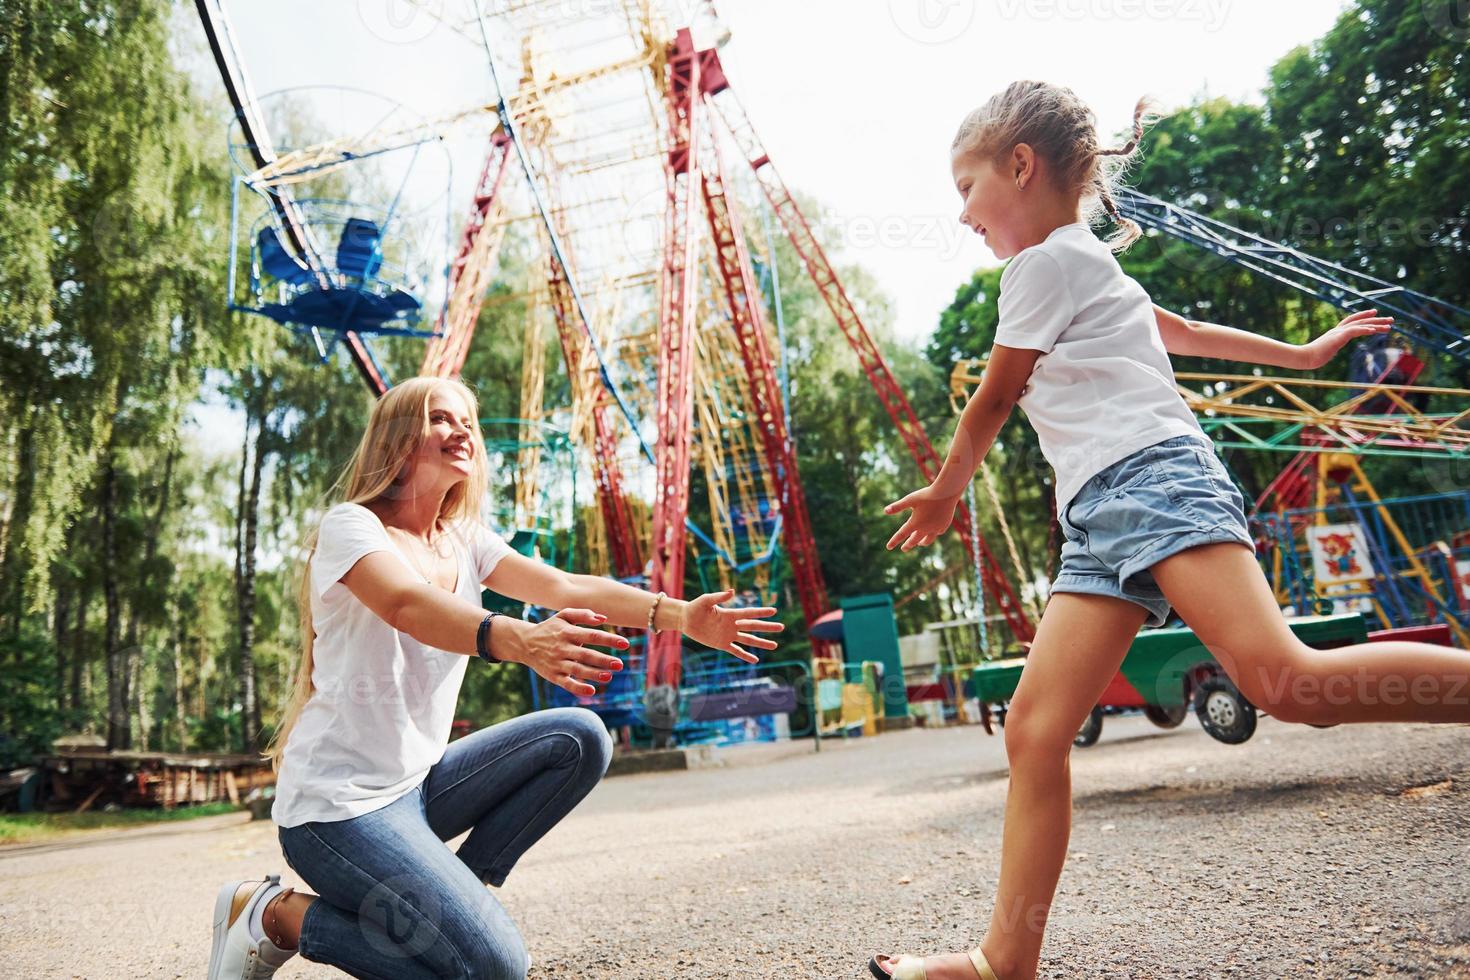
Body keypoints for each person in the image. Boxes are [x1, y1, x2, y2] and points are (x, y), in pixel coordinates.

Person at [871, 80, 1470, 980]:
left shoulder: (1042, 267)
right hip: (1101, 520)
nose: (961, 213)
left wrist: (949, 489)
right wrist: (1302, 354)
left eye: (967, 187)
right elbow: (1183, 331)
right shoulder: (1087, 263)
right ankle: (1003, 960)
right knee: (1035, 730)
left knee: (1283, 681)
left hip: (1153, 484)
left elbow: (996, 395)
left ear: (1021, 166)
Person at [206, 376, 784, 980]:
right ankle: (275, 914)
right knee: (495, 969)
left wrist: (678, 615)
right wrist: (521, 639)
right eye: (440, 418)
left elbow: (563, 586)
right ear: (398, 437)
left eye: (468, 422)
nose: (462, 431)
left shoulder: (463, 539)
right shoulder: (352, 527)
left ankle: (459, 899)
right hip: (337, 810)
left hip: (418, 788)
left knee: (580, 738)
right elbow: (406, 603)